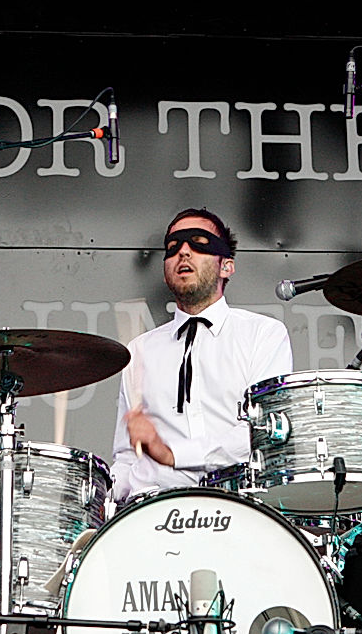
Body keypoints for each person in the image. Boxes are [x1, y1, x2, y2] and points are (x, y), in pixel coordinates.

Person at [110, 207, 293, 502]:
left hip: (239, 506)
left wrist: (172, 454)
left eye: (199, 243)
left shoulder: (262, 334)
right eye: (172, 248)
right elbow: (127, 457)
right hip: (153, 513)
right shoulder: (139, 351)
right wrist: (96, 497)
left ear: (226, 267)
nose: (183, 252)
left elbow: (262, 433)